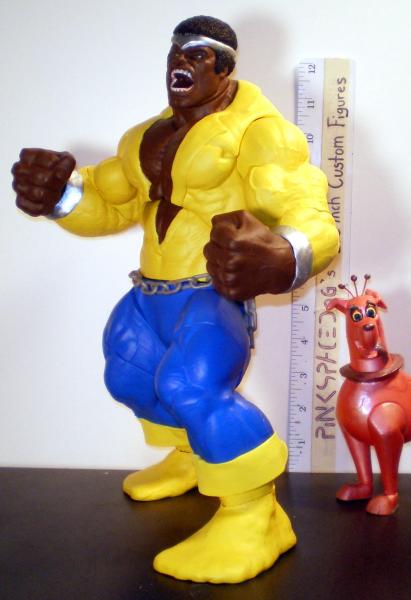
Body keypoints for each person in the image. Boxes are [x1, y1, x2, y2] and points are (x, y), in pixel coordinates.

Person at [12, 15, 339, 584]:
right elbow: (110, 203)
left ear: (225, 67)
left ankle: (255, 514)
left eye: (198, 54)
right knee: (130, 376)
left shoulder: (259, 133)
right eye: (176, 53)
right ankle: (192, 455)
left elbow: (303, 204)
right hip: (151, 292)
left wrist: (286, 253)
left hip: (210, 294)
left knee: (191, 384)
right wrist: (59, 195)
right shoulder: (146, 137)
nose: (181, 63)